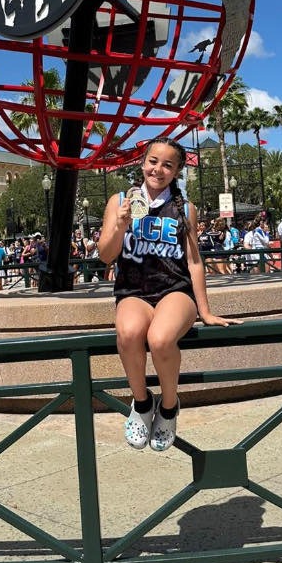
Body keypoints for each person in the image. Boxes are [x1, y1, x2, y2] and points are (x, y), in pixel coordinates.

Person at [97, 138, 239, 452]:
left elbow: (194, 261)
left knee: (160, 339)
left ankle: (170, 406)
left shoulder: (185, 209)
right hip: (133, 291)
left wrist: (205, 311)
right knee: (129, 332)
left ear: (176, 172)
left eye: (167, 165)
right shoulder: (119, 201)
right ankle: (142, 403)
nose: (158, 169)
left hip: (175, 290)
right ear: (142, 163)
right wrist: (120, 225)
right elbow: (106, 256)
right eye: (153, 161)